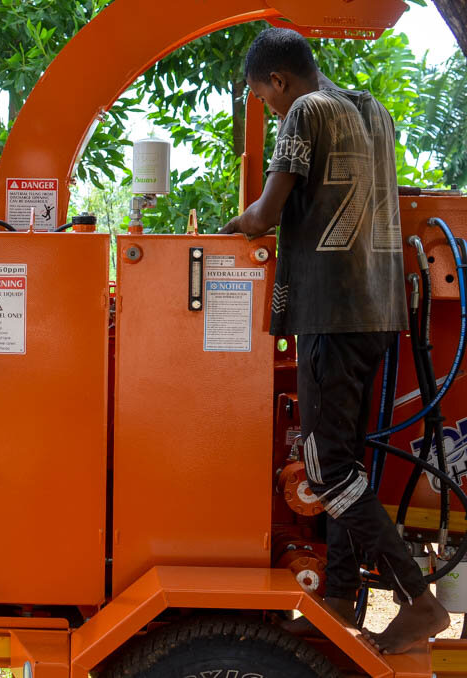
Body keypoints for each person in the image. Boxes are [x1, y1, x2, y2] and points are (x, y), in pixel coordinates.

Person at [221, 27, 450, 654]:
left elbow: (267, 214)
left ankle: (418, 601)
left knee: (325, 472)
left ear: (278, 80)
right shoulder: (371, 109)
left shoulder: (304, 110)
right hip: (380, 312)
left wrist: (230, 228)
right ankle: (342, 595)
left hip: (331, 313)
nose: (268, 108)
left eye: (263, 97)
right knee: (347, 461)